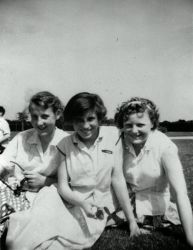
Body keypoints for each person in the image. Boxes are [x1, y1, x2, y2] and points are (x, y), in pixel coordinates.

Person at [6, 92, 140, 250]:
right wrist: (81, 202)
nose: (85, 126)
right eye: (78, 121)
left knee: (58, 242)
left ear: (99, 118)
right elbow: (63, 186)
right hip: (63, 196)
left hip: (95, 206)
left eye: (90, 119)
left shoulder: (113, 137)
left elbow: (118, 179)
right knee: (22, 237)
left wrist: (132, 221)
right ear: (71, 121)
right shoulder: (65, 144)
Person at [114, 97, 193, 246]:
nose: (134, 131)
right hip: (126, 203)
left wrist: (190, 238)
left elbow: (180, 193)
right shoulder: (118, 142)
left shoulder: (164, 146)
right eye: (128, 125)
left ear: (152, 124)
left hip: (156, 204)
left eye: (140, 125)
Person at [0, 91, 69, 195]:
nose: (39, 123)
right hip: (19, 198)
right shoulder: (21, 138)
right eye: (34, 117)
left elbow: (78, 184)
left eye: (45, 116)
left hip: (54, 200)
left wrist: (46, 181)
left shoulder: (67, 142)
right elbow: (2, 163)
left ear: (58, 114)